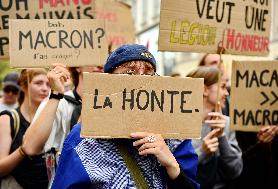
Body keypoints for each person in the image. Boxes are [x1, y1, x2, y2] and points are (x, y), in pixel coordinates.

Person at [51, 44, 199, 189]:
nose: (141, 80)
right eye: (129, 73)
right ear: (108, 82)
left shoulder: (175, 136)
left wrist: (172, 165)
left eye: (149, 73)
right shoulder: (84, 139)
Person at [21, 64, 103, 186]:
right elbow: (30, 148)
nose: (100, 64)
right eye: (94, 57)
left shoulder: (117, 106)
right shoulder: (59, 102)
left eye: (104, 57)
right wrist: (56, 94)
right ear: (78, 66)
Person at [186, 66, 243, 189]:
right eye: (222, 87)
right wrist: (202, 152)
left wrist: (222, 136)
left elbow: (235, 170)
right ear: (205, 90)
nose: (227, 93)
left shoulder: (225, 123)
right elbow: (176, 169)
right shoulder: (181, 125)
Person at [0, 69, 50, 188]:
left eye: (49, 84)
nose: (45, 88)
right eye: (38, 83)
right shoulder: (8, 119)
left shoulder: (54, 119)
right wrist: (22, 150)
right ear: (23, 85)